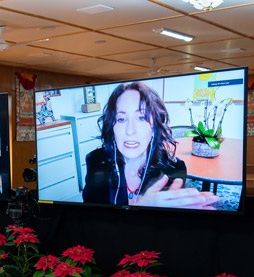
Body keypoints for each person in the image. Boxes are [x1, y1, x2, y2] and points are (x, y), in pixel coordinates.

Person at [82, 81, 218, 209]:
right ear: (112, 126)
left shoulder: (173, 169)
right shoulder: (97, 161)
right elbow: (90, 222)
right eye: (121, 119)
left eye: (141, 118)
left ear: (154, 128)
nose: (130, 131)